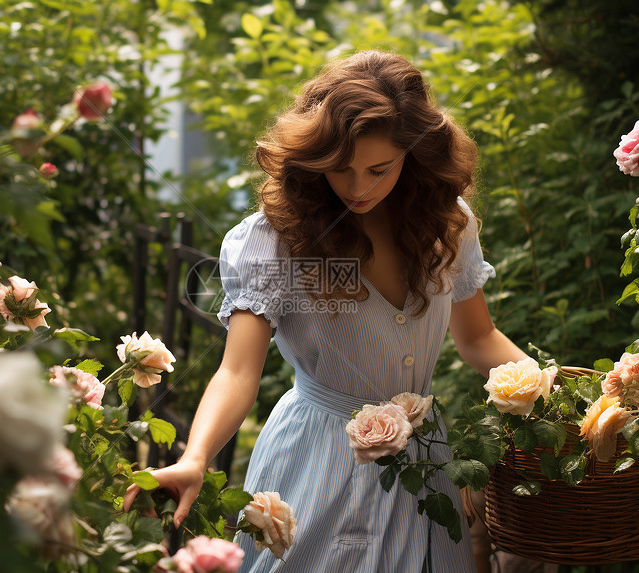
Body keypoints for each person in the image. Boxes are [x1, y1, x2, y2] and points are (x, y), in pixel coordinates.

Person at [123, 50, 529, 572]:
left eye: (379, 169)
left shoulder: (446, 224)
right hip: (317, 464)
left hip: (423, 467)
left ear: (415, 153)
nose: (358, 188)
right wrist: (195, 457)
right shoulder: (277, 240)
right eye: (340, 168)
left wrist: (557, 395)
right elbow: (238, 369)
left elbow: (478, 338)